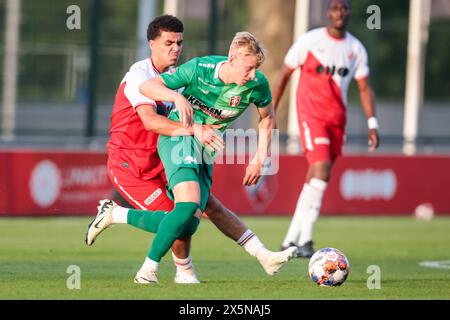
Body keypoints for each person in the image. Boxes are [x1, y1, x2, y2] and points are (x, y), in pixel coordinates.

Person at [85, 16, 297, 284]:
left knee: (199, 213)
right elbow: (151, 121)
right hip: (132, 163)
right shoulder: (142, 74)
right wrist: (193, 124)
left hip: (171, 155)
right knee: (182, 216)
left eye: (179, 42)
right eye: (168, 43)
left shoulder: (180, 74)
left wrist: (260, 157)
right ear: (151, 44)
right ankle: (134, 240)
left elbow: (266, 117)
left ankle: (257, 257)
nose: (175, 48)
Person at [273, 0, 380, 258]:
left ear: (349, 12)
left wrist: (372, 123)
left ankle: (291, 240)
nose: (339, 13)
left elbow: (364, 88)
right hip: (312, 116)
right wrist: (271, 111)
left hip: (337, 120)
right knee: (321, 170)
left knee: (317, 177)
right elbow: (284, 75)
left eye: (343, 8)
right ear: (327, 13)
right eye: (334, 8)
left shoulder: (356, 48)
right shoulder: (309, 42)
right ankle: (306, 239)